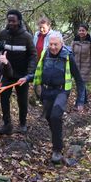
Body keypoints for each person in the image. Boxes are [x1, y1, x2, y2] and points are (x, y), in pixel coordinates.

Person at [17, 32, 84, 165]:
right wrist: (27, 78)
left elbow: (79, 80)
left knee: (55, 116)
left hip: (61, 91)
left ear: (61, 44)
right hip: (47, 91)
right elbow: (37, 71)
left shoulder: (68, 57)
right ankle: (58, 138)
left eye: (56, 44)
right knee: (50, 118)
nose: (53, 47)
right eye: (51, 44)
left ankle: (57, 150)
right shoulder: (44, 55)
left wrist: (80, 101)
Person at [0, 9, 37, 135]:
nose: (11, 23)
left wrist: (29, 73)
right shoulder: (4, 33)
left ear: (19, 21)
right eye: (9, 20)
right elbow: (0, 49)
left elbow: (33, 55)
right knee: (4, 98)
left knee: (22, 100)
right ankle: (7, 125)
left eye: (13, 21)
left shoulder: (26, 37)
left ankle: (22, 124)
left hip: (22, 74)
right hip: (7, 73)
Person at [71, 24, 91, 111]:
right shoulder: (75, 40)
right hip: (75, 66)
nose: (81, 32)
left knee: (81, 84)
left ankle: (79, 104)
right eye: (80, 30)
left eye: (83, 30)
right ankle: (85, 101)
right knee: (80, 84)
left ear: (86, 31)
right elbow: (71, 53)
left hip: (86, 66)